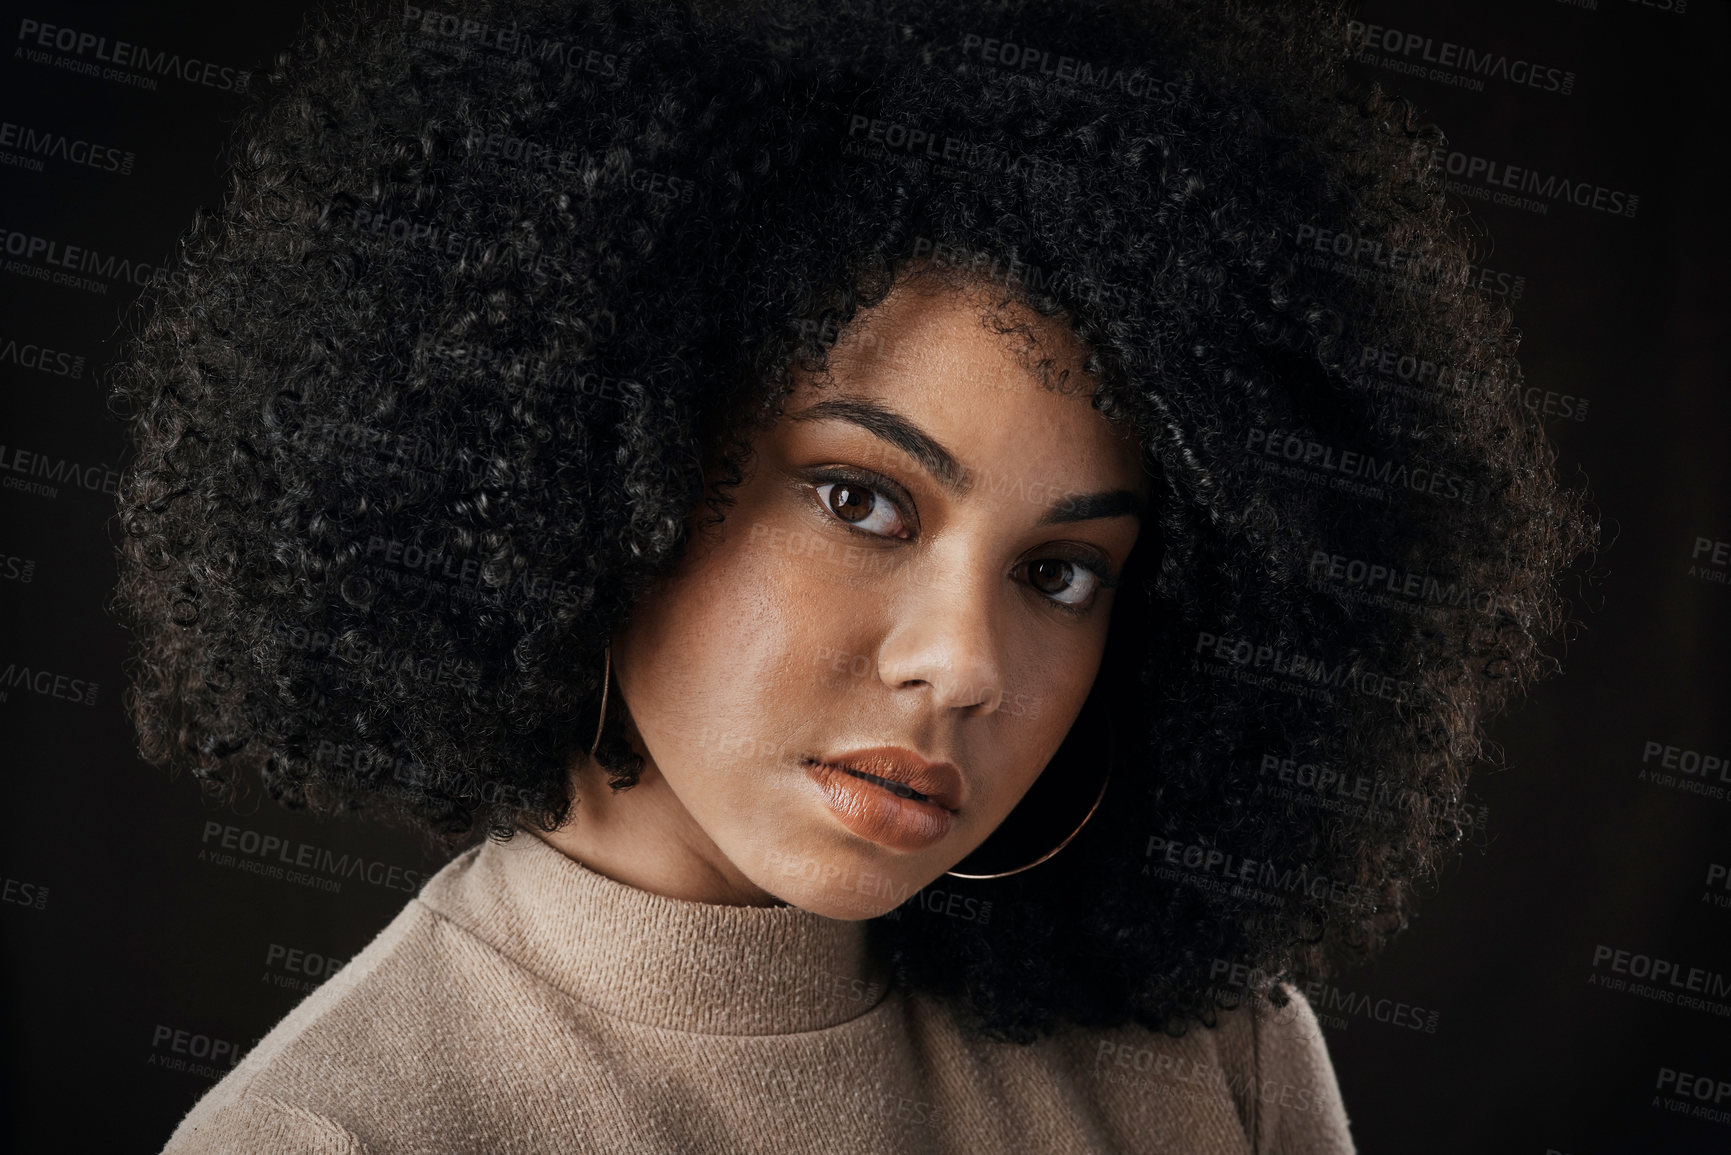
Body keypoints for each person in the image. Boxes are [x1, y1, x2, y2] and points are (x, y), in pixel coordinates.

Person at [111, 0, 1593, 1150]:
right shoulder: (342, 1136)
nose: (966, 663)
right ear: (582, 459)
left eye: (1064, 572)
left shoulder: (1212, 1064)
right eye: (859, 497)